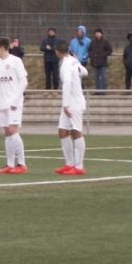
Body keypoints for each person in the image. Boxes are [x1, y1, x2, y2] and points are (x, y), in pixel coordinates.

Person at [0, 35, 29, 174]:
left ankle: (22, 163)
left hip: (14, 103)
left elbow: (24, 82)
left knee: (13, 131)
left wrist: (16, 99)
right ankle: (9, 164)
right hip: (3, 103)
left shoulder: (16, 61)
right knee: (7, 133)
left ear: (2, 47)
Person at [55, 41, 88, 176]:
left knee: (76, 132)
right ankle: (69, 163)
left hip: (74, 103)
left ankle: (79, 166)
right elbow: (85, 72)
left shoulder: (66, 64)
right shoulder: (73, 61)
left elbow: (67, 84)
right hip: (71, 102)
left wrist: (65, 105)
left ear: (57, 52)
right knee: (62, 131)